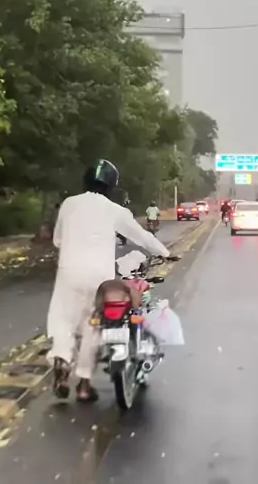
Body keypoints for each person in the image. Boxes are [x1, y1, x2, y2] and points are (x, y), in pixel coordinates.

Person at [47, 159, 171, 403]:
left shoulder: (69, 204)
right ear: (112, 186)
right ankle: (84, 384)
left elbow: (57, 240)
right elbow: (142, 237)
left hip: (69, 271)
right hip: (99, 277)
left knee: (63, 319)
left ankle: (62, 359)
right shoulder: (115, 211)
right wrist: (165, 253)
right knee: (93, 326)